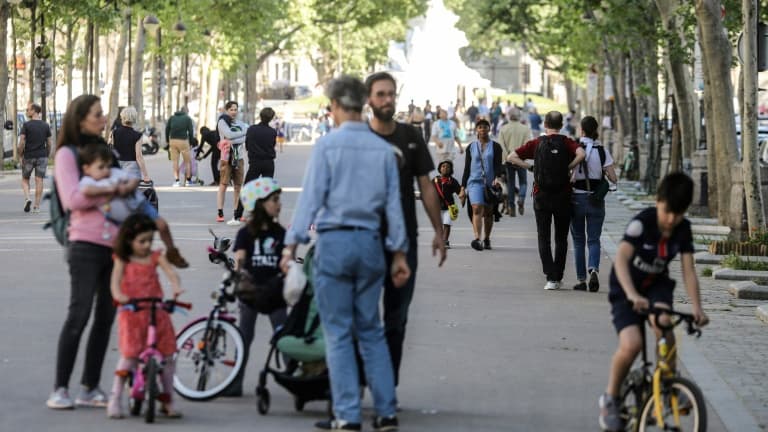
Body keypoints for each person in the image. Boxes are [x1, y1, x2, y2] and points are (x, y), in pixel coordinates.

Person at [281, 75, 410, 432]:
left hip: (335, 244)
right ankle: (386, 411)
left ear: (336, 106)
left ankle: (348, 414)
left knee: (337, 333)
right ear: (364, 104)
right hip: (370, 244)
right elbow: (393, 208)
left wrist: (291, 244)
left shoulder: (327, 146)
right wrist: (399, 254)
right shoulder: (385, 151)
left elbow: (311, 200)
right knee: (371, 329)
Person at [598, 173, 709, 431]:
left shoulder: (683, 229)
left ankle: (669, 382)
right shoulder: (642, 222)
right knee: (632, 344)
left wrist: (697, 308)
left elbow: (688, 270)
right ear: (658, 201)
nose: (672, 219)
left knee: (664, 324)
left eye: (678, 214)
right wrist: (632, 296)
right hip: (626, 285)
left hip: (657, 285)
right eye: (668, 211)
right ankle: (611, 398)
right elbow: (622, 261)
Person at [366, 71, 447, 392]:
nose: (386, 99)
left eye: (390, 94)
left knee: (396, 319)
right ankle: (356, 389)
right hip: (364, 241)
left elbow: (426, 185)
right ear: (369, 99)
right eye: (380, 94)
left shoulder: (410, 137)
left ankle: (387, 387)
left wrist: (439, 231)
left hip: (404, 241)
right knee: (363, 317)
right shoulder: (358, 137)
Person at [47, 94, 126, 410]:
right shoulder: (67, 154)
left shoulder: (104, 152)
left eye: (103, 113)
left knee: (106, 316)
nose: (103, 118)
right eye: (97, 114)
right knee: (79, 313)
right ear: (80, 118)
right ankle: (60, 388)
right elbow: (73, 200)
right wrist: (112, 190)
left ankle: (90, 386)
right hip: (84, 245)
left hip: (115, 246)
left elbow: (126, 190)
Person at [106, 214, 184, 419]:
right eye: (142, 241)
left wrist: (176, 286)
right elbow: (115, 281)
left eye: (150, 240)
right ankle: (115, 398)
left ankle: (168, 399)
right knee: (129, 357)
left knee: (167, 357)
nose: (147, 244)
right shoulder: (123, 258)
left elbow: (171, 273)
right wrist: (119, 295)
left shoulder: (155, 256)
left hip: (156, 311)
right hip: (132, 313)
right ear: (129, 240)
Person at [508, 111, 585, 290]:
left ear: (545, 124)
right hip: (563, 195)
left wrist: (530, 167)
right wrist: (568, 167)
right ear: (561, 125)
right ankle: (558, 275)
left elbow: (511, 157)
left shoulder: (537, 143)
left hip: (541, 195)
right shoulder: (567, 142)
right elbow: (581, 154)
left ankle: (550, 277)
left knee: (543, 237)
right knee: (561, 238)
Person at [77, 143, 188, 268]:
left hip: (139, 205)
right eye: (101, 167)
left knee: (162, 225)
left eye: (108, 166)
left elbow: (134, 180)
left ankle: (171, 250)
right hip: (121, 218)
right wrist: (110, 189)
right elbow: (86, 190)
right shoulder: (89, 181)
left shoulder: (115, 173)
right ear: (86, 169)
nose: (106, 171)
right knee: (129, 244)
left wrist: (127, 187)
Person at [225, 177, 288, 396]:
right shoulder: (245, 233)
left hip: (275, 292)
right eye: (274, 200)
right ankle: (235, 383)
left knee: (284, 335)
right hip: (250, 292)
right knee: (244, 335)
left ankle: (296, 375)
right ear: (260, 204)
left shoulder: (281, 233)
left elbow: (286, 264)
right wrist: (236, 278)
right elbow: (239, 261)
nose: (279, 204)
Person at [570, 116, 618, 292]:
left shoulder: (574, 148)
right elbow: (613, 177)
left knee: (578, 241)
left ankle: (581, 280)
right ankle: (594, 270)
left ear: (581, 130)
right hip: (596, 200)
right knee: (594, 239)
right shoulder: (602, 151)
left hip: (576, 198)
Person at [459, 119, 504, 251]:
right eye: (480, 127)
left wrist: (497, 178)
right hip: (474, 182)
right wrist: (462, 188)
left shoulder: (496, 147)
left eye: (485, 127)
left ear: (489, 129)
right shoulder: (471, 147)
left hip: (490, 184)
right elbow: (467, 168)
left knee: (489, 212)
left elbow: (498, 165)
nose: (482, 129)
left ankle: (487, 238)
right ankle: (477, 239)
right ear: (476, 130)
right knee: (477, 208)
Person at [233, 107, 278, 222]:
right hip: (268, 162)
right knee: (267, 190)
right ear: (271, 118)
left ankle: (238, 214)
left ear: (260, 116)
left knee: (247, 188)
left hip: (255, 162)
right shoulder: (272, 132)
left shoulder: (252, 129)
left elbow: (247, 145)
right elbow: (272, 145)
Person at [216, 100, 247, 224]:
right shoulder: (222, 122)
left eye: (235, 109)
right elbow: (228, 135)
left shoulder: (240, 123)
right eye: (231, 110)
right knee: (223, 185)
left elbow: (245, 138)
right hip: (226, 158)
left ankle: (236, 212)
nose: (234, 112)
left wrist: (234, 139)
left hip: (239, 157)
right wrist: (242, 134)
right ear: (226, 110)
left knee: (238, 186)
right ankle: (220, 212)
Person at [497, 107, 531, 217]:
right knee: (523, 182)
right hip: (520, 159)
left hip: (508, 160)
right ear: (519, 116)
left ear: (508, 116)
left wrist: (507, 158)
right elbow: (527, 145)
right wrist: (522, 157)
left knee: (510, 183)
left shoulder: (504, 128)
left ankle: (512, 207)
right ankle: (521, 197)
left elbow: (501, 145)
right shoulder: (525, 129)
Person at [19, 103, 52, 213]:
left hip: (28, 155)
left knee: (25, 179)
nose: (27, 111)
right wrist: (47, 154)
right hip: (42, 155)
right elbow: (49, 142)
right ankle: (36, 206)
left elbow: (22, 141)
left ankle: (28, 198)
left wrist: (20, 154)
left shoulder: (26, 125)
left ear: (34, 111)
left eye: (28, 110)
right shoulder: (45, 125)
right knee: (39, 180)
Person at [111, 106, 150, 182]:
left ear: (122, 117)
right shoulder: (137, 135)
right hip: (132, 168)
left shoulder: (114, 133)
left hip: (117, 167)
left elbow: (112, 150)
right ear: (134, 118)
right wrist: (146, 175)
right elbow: (138, 156)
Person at [432, 160, 461, 249]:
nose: (445, 168)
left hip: (449, 207)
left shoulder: (452, 181)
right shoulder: (435, 180)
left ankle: (445, 241)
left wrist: (463, 198)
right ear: (440, 169)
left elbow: (460, 192)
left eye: (448, 167)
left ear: (451, 170)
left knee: (447, 224)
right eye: (443, 166)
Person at [165, 107, 195, 187]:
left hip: (173, 141)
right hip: (183, 141)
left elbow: (167, 129)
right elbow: (191, 131)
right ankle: (188, 181)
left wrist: (167, 140)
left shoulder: (172, 118)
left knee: (175, 161)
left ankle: (177, 181)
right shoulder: (187, 118)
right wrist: (191, 142)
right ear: (186, 112)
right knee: (187, 161)